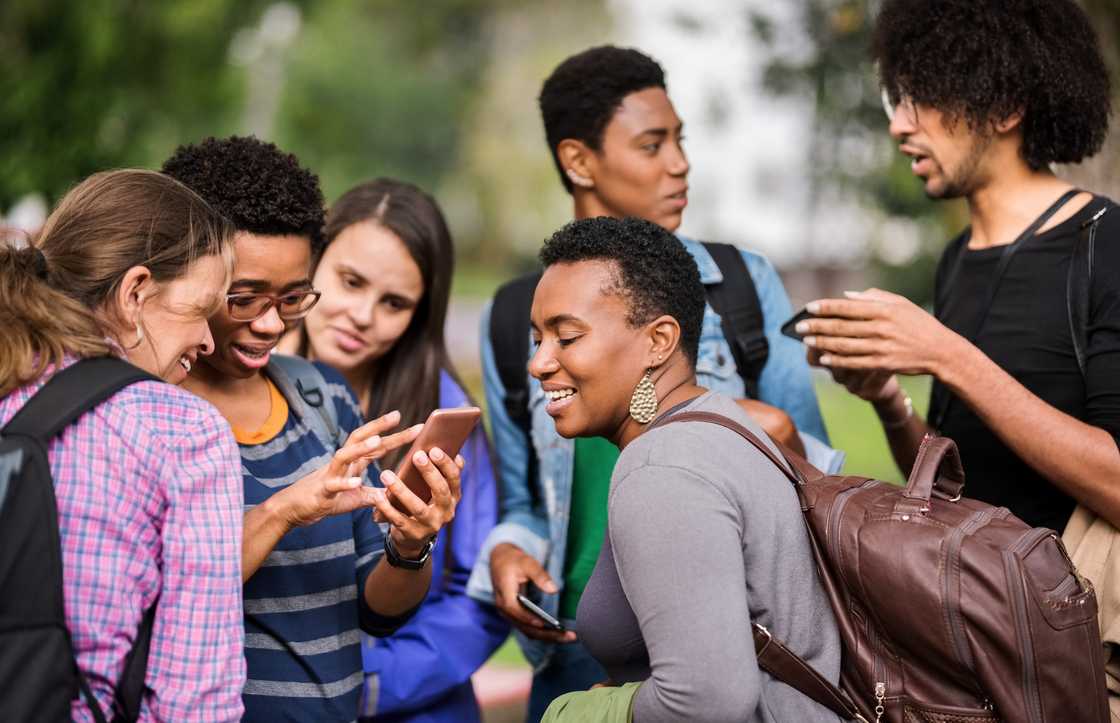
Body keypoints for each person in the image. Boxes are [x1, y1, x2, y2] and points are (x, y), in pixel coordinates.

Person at [466, 44, 839, 719]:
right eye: (651, 144)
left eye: (680, 140)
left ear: (663, 336)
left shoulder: (741, 286)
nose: (680, 163)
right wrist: (509, 553)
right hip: (578, 639)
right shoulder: (508, 315)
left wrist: (758, 435)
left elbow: (818, 483)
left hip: (725, 636)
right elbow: (526, 498)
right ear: (579, 160)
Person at [162, 137, 463, 722]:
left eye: (294, 297)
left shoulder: (320, 395)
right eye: (245, 298)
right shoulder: (148, 407)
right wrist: (284, 510)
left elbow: (376, 612)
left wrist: (409, 546)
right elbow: (162, 592)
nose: (272, 323)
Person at [798, 0, 1120, 533]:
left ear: (1005, 108)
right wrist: (886, 400)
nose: (900, 125)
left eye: (921, 97)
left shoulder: (1106, 241)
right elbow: (951, 490)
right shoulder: (958, 259)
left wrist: (947, 355)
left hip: (1078, 609)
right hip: (975, 607)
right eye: (895, 100)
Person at [527, 216, 841, 722]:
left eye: (567, 337)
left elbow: (707, 699)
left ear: (659, 340)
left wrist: (577, 712)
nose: (539, 363)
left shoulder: (663, 467)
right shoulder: (722, 422)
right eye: (537, 337)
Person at [0, 169, 246, 720]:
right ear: (135, 292)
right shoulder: (182, 434)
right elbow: (195, 701)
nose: (208, 340)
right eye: (202, 309)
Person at [278, 178, 508, 722]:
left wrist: (377, 682)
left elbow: (477, 591)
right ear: (312, 259)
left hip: (412, 705)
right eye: (350, 281)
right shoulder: (244, 379)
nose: (362, 315)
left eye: (394, 303)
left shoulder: (443, 415)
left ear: (420, 313)